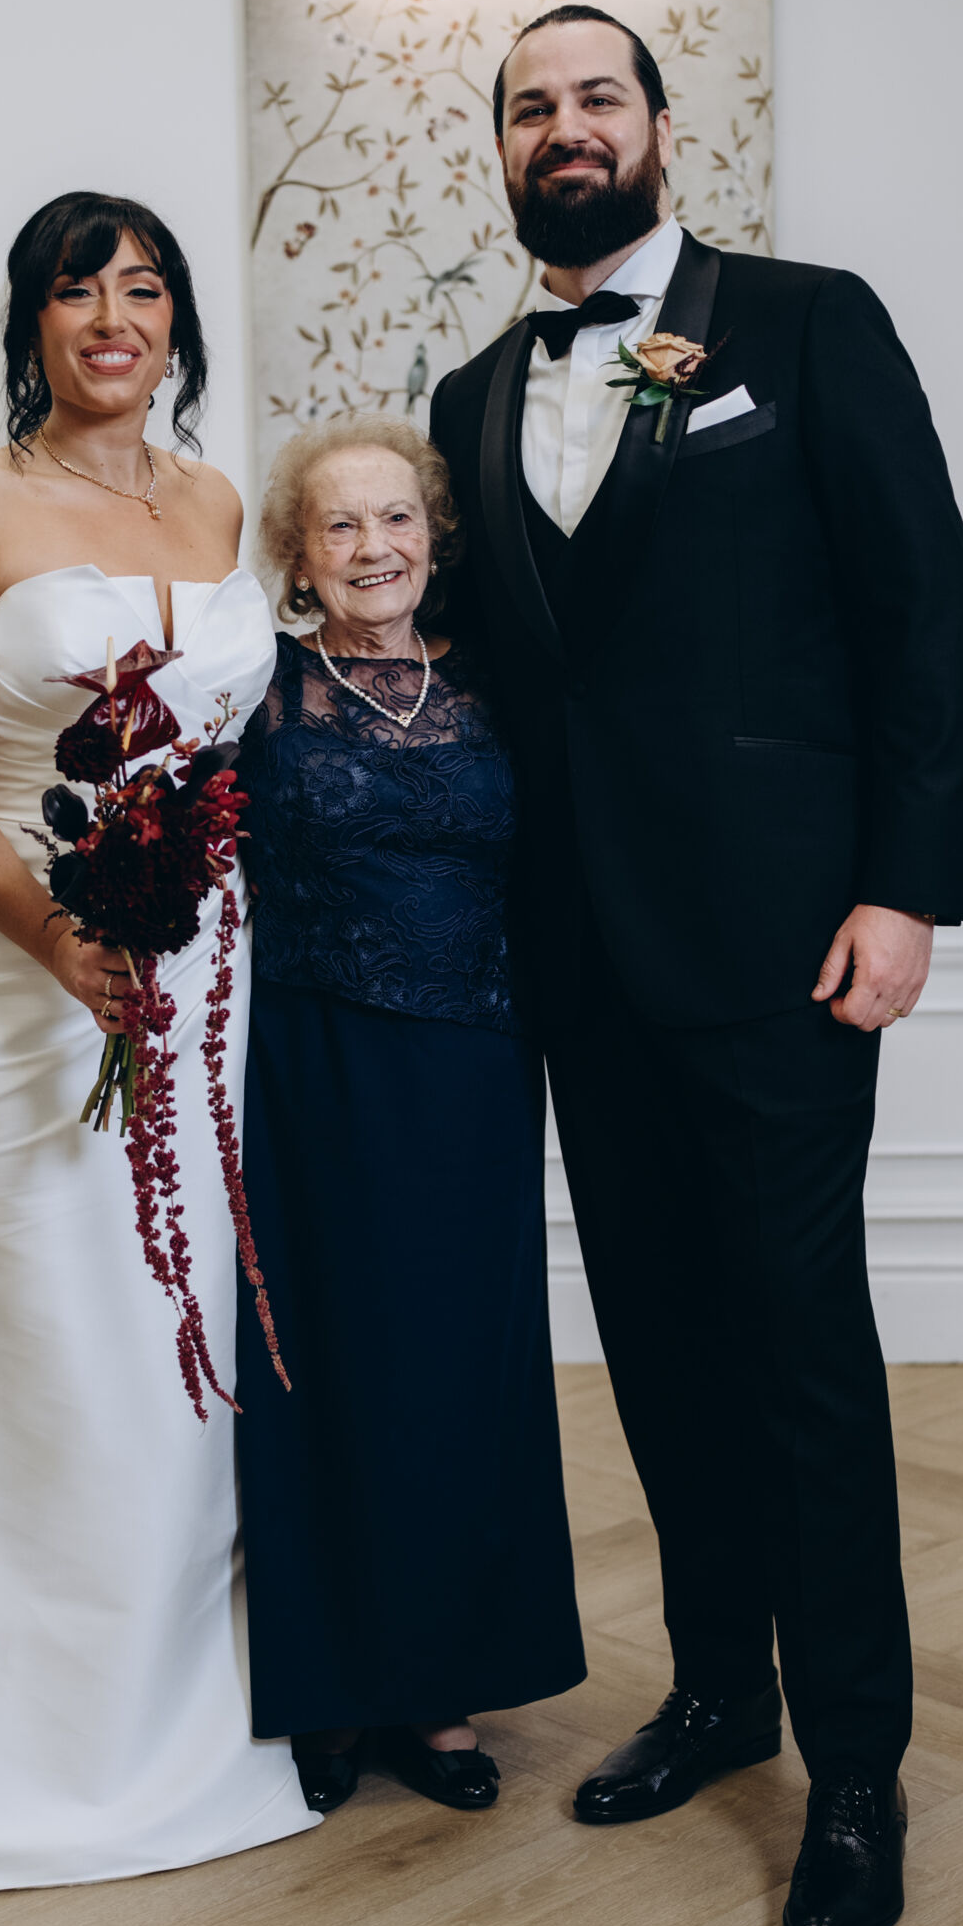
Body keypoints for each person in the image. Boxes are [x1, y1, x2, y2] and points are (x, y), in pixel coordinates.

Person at [428, 5, 963, 1926]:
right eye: (531, 107)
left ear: (663, 127)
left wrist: (906, 891)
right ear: (506, 153)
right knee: (661, 1348)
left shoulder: (811, 326)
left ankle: (856, 1770)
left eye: (598, 95)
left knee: (800, 1352)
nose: (565, 127)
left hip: (783, 949)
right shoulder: (470, 397)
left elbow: (925, 613)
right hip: (577, 963)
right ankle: (720, 1690)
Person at [0, 191, 318, 1893]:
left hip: (202, 975)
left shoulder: (217, 501)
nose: (112, 318)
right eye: (78, 290)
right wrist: (53, 935)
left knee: (168, 1338)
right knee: (36, 1333)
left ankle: (169, 1717)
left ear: (178, 326)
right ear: (32, 323)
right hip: (5, 972)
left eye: (143, 289)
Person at [232, 417, 585, 1815]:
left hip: (473, 1076)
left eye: (397, 519)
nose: (373, 547)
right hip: (310, 1071)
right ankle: (330, 1687)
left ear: (436, 539)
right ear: (297, 556)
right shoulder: (257, 687)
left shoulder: (502, 681)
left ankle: (439, 1689)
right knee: (320, 1364)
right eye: (340, 525)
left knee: (450, 1372)